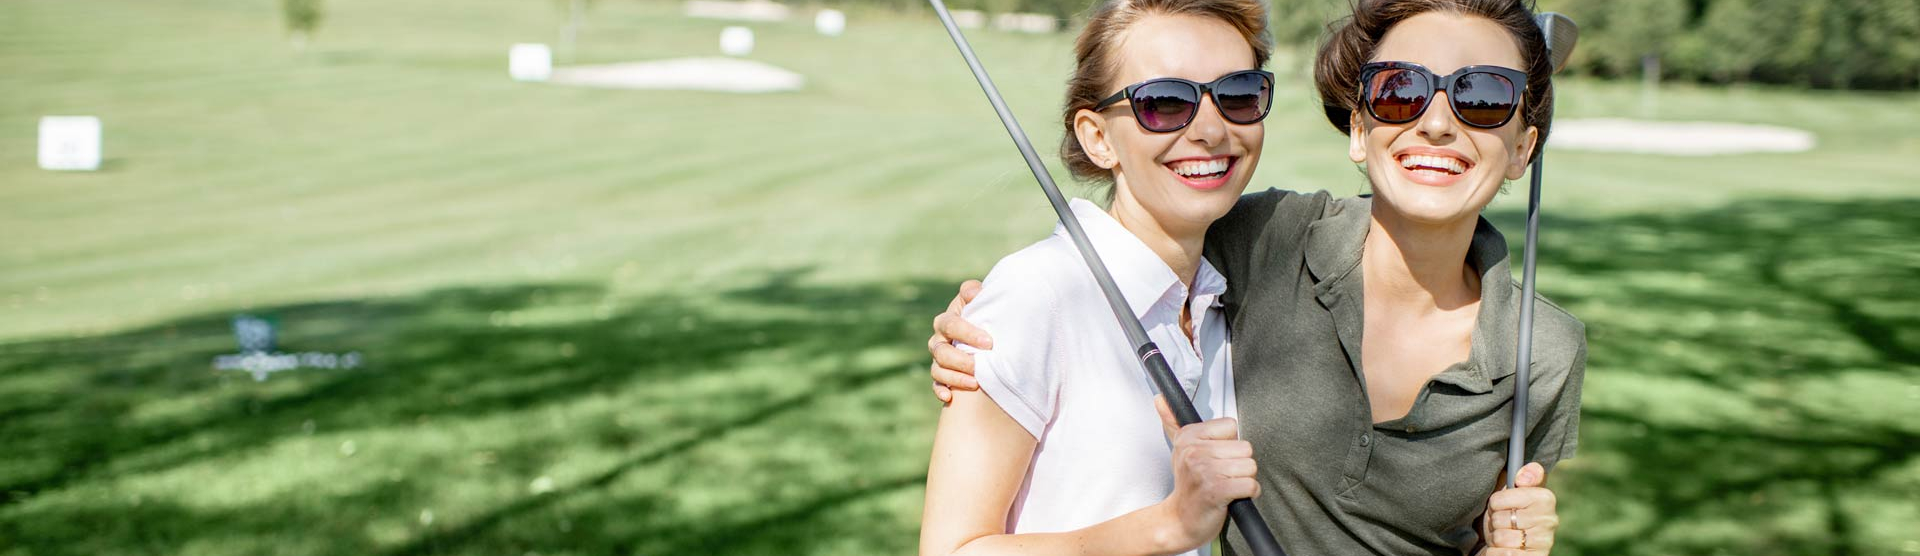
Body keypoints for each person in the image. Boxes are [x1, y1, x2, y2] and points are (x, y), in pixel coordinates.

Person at [925, 0, 1585, 554]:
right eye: (1400, 90)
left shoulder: (1211, 286)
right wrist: (993, 328)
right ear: (1359, 129)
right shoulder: (1265, 244)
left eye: (1238, 96)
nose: (1437, 121)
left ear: (1525, 146)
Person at [917, 0, 1280, 554]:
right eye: (1165, 102)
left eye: (1238, 95)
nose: (1211, 129)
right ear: (1097, 137)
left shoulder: (1221, 293)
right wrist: (1171, 526)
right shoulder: (1037, 294)